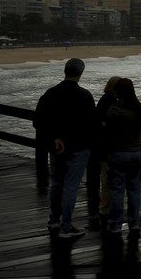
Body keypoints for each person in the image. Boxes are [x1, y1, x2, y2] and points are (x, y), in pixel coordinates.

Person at [33, 57, 99, 240]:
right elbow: (93, 124)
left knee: (56, 183)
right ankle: (66, 227)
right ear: (81, 73)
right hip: (79, 147)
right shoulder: (85, 96)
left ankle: (54, 220)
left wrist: (54, 138)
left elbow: (38, 121)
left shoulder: (50, 93)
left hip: (57, 148)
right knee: (71, 186)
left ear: (65, 71)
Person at [105, 78, 141, 238]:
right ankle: (134, 223)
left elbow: (108, 130)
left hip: (119, 152)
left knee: (117, 189)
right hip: (137, 151)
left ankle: (116, 224)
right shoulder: (140, 108)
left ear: (118, 91)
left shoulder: (115, 109)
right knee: (135, 189)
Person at [88, 76, 120, 231]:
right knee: (107, 179)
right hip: (107, 148)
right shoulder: (110, 101)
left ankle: (101, 209)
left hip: (99, 146)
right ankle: (105, 211)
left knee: (103, 178)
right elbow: (106, 123)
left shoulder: (103, 99)